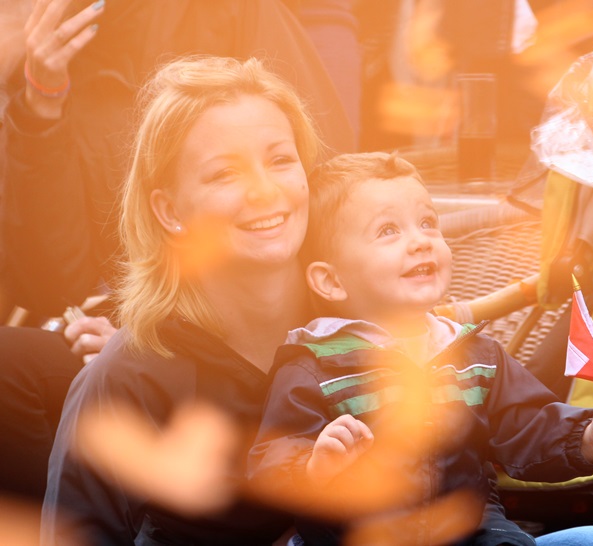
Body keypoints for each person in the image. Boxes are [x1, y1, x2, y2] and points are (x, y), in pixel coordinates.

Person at [0, 0, 356, 505]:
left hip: (259, 332)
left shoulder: (236, 16)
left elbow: (317, 187)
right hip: (141, 320)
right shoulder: (56, 44)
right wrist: (40, 104)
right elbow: (51, 281)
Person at [247, 151, 593, 545]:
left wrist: (587, 437)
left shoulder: (475, 358)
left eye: (427, 223)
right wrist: (316, 466)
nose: (420, 242)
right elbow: (273, 459)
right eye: (388, 230)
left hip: (471, 531)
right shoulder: (316, 368)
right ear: (332, 282)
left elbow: (528, 426)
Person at [40, 54, 321, 545]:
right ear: (170, 211)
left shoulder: (368, 323)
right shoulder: (127, 377)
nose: (263, 190)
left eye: (280, 159)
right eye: (223, 174)